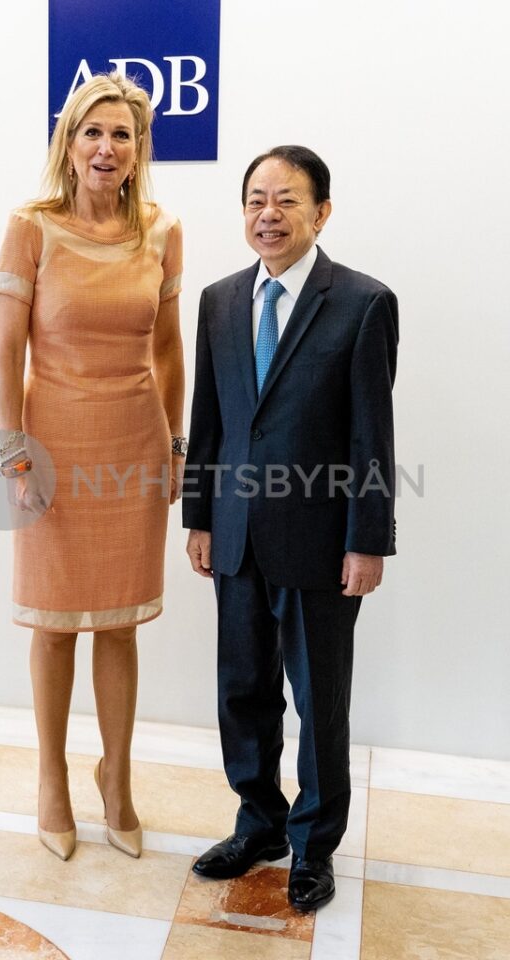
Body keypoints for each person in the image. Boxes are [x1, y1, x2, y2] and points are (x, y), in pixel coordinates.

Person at [183, 145, 398, 911]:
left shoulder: (363, 302)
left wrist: (368, 538)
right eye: (255, 200)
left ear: (321, 212)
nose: (267, 215)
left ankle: (314, 845)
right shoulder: (218, 300)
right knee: (243, 691)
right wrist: (199, 516)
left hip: (322, 541)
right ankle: (259, 824)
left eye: (286, 200)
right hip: (235, 534)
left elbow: (372, 435)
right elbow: (209, 420)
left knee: (318, 701)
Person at [0, 73, 185, 862]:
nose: (107, 147)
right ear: (68, 144)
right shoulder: (30, 227)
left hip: (134, 445)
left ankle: (116, 777)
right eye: (92, 132)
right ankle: (51, 778)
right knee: (52, 624)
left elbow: (168, 349)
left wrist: (177, 444)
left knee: (118, 622)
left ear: (139, 150)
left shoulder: (163, 231)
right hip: (53, 449)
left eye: (122, 135)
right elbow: (6, 351)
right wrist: (13, 451)